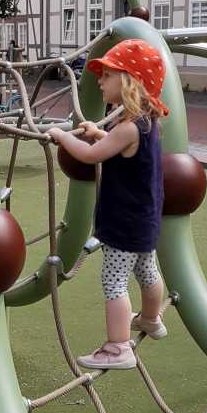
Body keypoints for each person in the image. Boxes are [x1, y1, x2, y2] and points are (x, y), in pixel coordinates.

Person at [48, 39, 168, 371]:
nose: (99, 81)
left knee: (114, 281)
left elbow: (89, 156)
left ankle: (118, 347)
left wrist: (63, 136)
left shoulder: (127, 128)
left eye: (107, 75)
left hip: (123, 223)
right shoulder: (144, 124)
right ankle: (151, 319)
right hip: (145, 220)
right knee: (147, 271)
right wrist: (96, 132)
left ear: (128, 81)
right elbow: (117, 149)